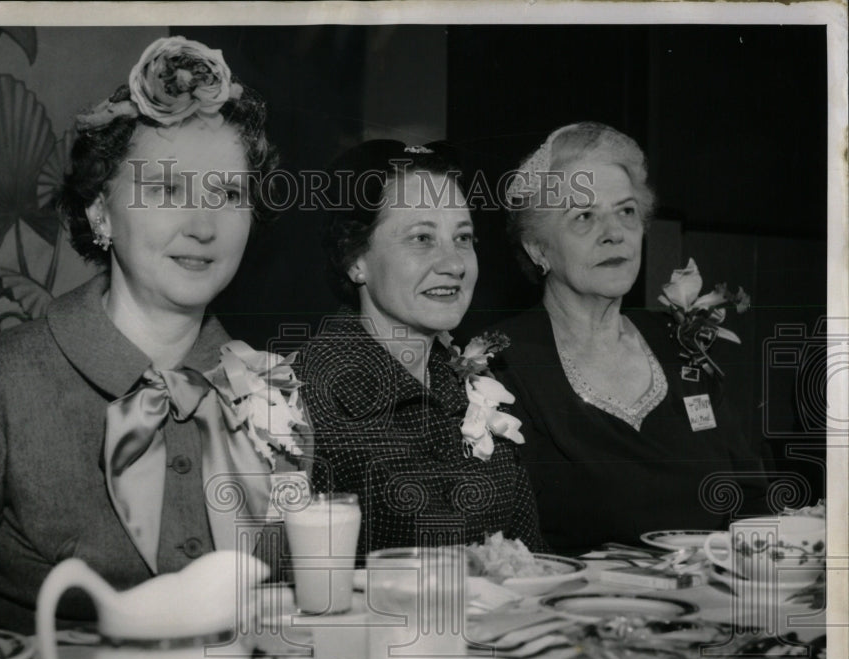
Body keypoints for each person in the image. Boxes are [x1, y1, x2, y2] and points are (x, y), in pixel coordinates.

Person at [0, 36, 304, 633]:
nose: (203, 227)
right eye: (166, 190)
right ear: (101, 214)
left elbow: (294, 614)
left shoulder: (273, 391)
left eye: (229, 194)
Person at [492, 122, 768, 556]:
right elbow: (507, 543)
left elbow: (751, 495)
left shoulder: (681, 341)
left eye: (626, 212)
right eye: (584, 216)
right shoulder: (502, 363)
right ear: (538, 249)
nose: (614, 233)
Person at [295, 140, 545, 559]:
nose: (454, 263)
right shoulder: (305, 398)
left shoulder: (477, 387)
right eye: (422, 238)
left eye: (463, 237)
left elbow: (531, 558)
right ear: (355, 258)